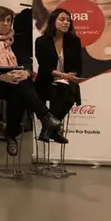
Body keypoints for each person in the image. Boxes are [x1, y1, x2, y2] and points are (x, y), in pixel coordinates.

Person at [0, 6, 62, 156]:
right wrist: (1, 76)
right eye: (1, 20)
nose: (5, 23)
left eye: (8, 20)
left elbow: (26, 61)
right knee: (21, 89)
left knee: (19, 88)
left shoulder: (18, 40)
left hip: (15, 82)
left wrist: (26, 72)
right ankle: (44, 116)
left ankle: (11, 136)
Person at [34, 8, 83, 142]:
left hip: (66, 82)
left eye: (68, 20)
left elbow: (78, 64)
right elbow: (44, 66)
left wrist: (71, 76)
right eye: (62, 19)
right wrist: (62, 75)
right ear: (53, 21)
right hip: (46, 81)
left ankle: (49, 130)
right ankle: (52, 131)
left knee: (68, 93)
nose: (66, 23)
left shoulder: (74, 41)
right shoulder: (41, 41)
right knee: (59, 91)